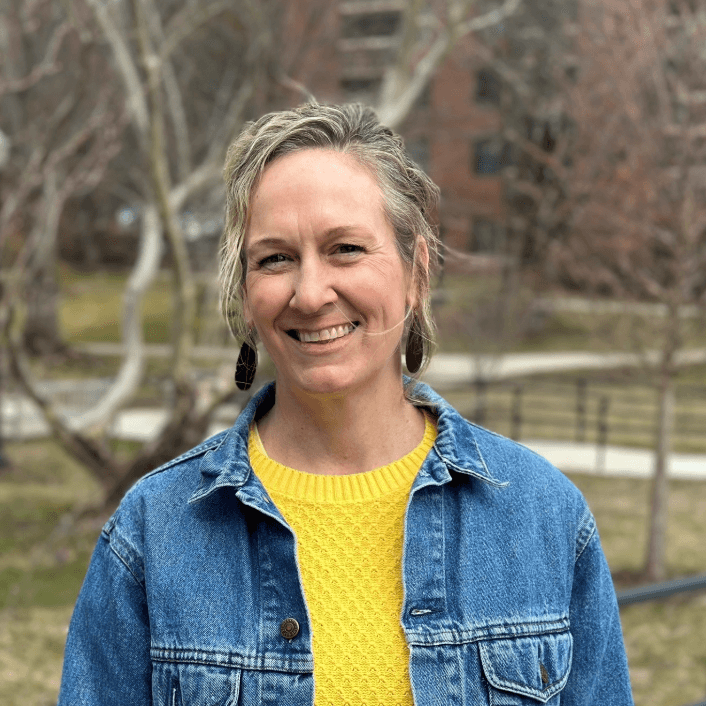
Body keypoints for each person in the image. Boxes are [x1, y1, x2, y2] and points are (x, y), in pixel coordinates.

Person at [58, 103, 633, 705]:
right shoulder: (153, 532)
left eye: (346, 249)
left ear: (417, 272)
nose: (310, 294)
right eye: (275, 258)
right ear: (245, 290)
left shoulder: (545, 518)